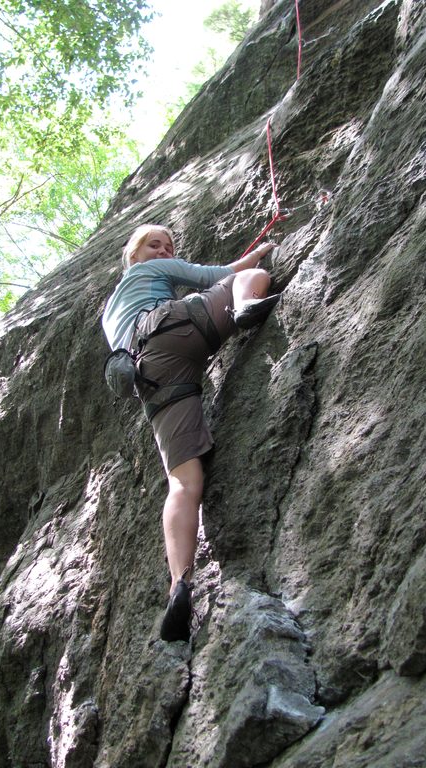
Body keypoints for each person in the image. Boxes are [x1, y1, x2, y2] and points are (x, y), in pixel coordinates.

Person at [102, 224, 279, 642]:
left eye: (168, 246)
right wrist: (264, 248)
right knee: (248, 280)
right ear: (133, 255)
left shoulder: (110, 313)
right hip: (175, 326)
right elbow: (216, 273)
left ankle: (178, 583)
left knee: (183, 482)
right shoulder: (143, 274)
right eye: (154, 245)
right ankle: (242, 309)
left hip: (150, 376)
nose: (164, 251)